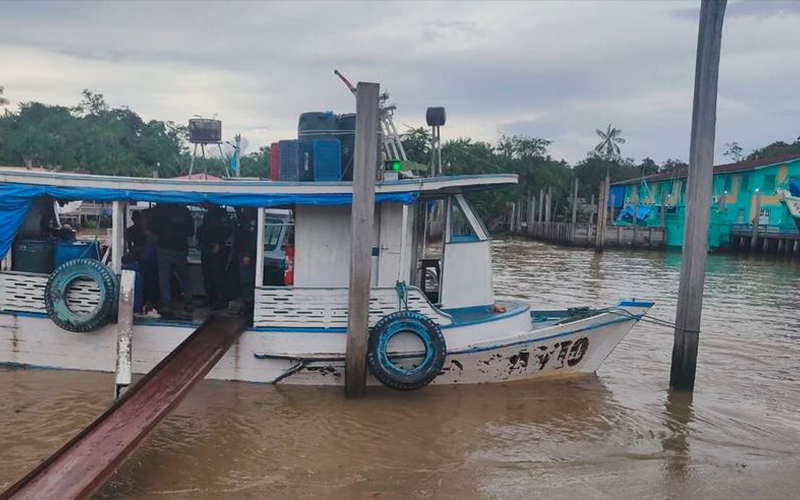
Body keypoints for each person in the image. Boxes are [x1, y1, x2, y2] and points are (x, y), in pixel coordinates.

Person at [152, 203, 194, 316]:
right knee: (184, 277)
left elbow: (152, 229)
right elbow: (191, 232)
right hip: (181, 248)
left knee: (164, 278)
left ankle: (166, 304)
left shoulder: (159, 209)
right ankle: (188, 302)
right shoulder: (184, 210)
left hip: (164, 247)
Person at [197, 203, 231, 308]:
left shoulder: (222, 213)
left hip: (218, 249)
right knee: (207, 274)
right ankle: (211, 297)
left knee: (218, 274)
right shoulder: (208, 214)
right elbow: (203, 230)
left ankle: (221, 300)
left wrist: (219, 243)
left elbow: (227, 231)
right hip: (207, 247)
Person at [234, 207, 259, 317]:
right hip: (241, 253)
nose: (244, 209)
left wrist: (248, 254)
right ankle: (246, 304)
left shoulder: (253, 221)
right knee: (242, 279)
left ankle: (249, 306)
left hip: (248, 256)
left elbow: (252, 239)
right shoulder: (244, 219)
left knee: (247, 280)